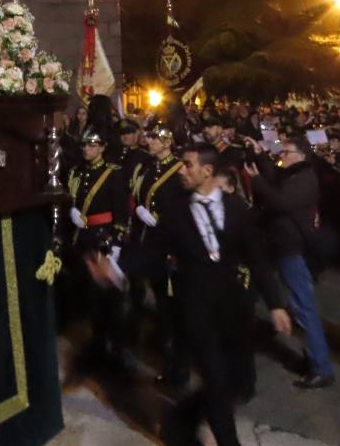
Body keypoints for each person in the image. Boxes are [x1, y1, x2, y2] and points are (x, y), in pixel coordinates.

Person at [89, 144, 292, 446]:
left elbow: (258, 259)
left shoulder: (237, 208)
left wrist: (276, 304)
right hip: (196, 309)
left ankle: (185, 416)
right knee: (215, 379)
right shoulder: (175, 211)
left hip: (234, 309)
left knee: (235, 379)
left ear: (207, 171)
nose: (181, 171)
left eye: (188, 165)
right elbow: (151, 254)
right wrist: (116, 271)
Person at [247, 135, 336, 389]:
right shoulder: (293, 174)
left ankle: (321, 367)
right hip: (280, 245)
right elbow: (274, 178)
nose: (281, 156)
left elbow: (280, 201)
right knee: (296, 303)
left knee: (303, 307)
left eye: (286, 152)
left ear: (301, 156)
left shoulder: (305, 179)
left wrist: (256, 181)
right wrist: (260, 155)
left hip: (292, 249)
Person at [129, 123, 191, 386]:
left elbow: (184, 211)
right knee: (163, 311)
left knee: (175, 312)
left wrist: (161, 223)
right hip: (150, 245)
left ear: (167, 142)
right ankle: (169, 364)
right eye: (150, 137)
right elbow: (135, 194)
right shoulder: (147, 167)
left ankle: (181, 368)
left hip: (170, 248)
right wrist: (139, 211)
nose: (149, 141)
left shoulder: (179, 171)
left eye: (155, 138)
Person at [68, 128, 129, 366]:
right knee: (89, 298)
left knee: (110, 299)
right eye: (84, 145)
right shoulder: (76, 172)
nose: (87, 149)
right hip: (81, 239)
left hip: (103, 239)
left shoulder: (112, 174)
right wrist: (70, 210)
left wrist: (116, 242)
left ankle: (117, 349)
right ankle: (98, 344)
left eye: (92, 145)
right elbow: (70, 200)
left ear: (102, 147)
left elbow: (121, 212)